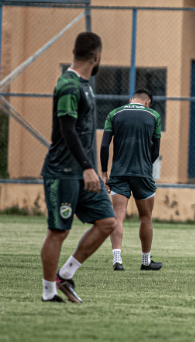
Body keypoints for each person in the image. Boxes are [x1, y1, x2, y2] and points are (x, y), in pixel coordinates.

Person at [40, 32, 116, 303]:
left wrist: (89, 169)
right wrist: (87, 167)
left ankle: (66, 274)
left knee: (107, 222)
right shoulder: (69, 84)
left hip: (85, 173)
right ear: (97, 57)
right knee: (59, 231)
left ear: (73, 50)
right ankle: (48, 293)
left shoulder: (85, 84)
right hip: (64, 172)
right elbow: (67, 129)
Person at [100, 88, 163, 271]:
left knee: (118, 216)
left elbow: (105, 146)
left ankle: (117, 260)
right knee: (146, 218)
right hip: (142, 173)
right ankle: (145, 261)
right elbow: (155, 151)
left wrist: (105, 173)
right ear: (148, 102)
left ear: (131, 100)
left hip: (119, 172)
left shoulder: (114, 113)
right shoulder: (154, 116)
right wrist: (145, 163)